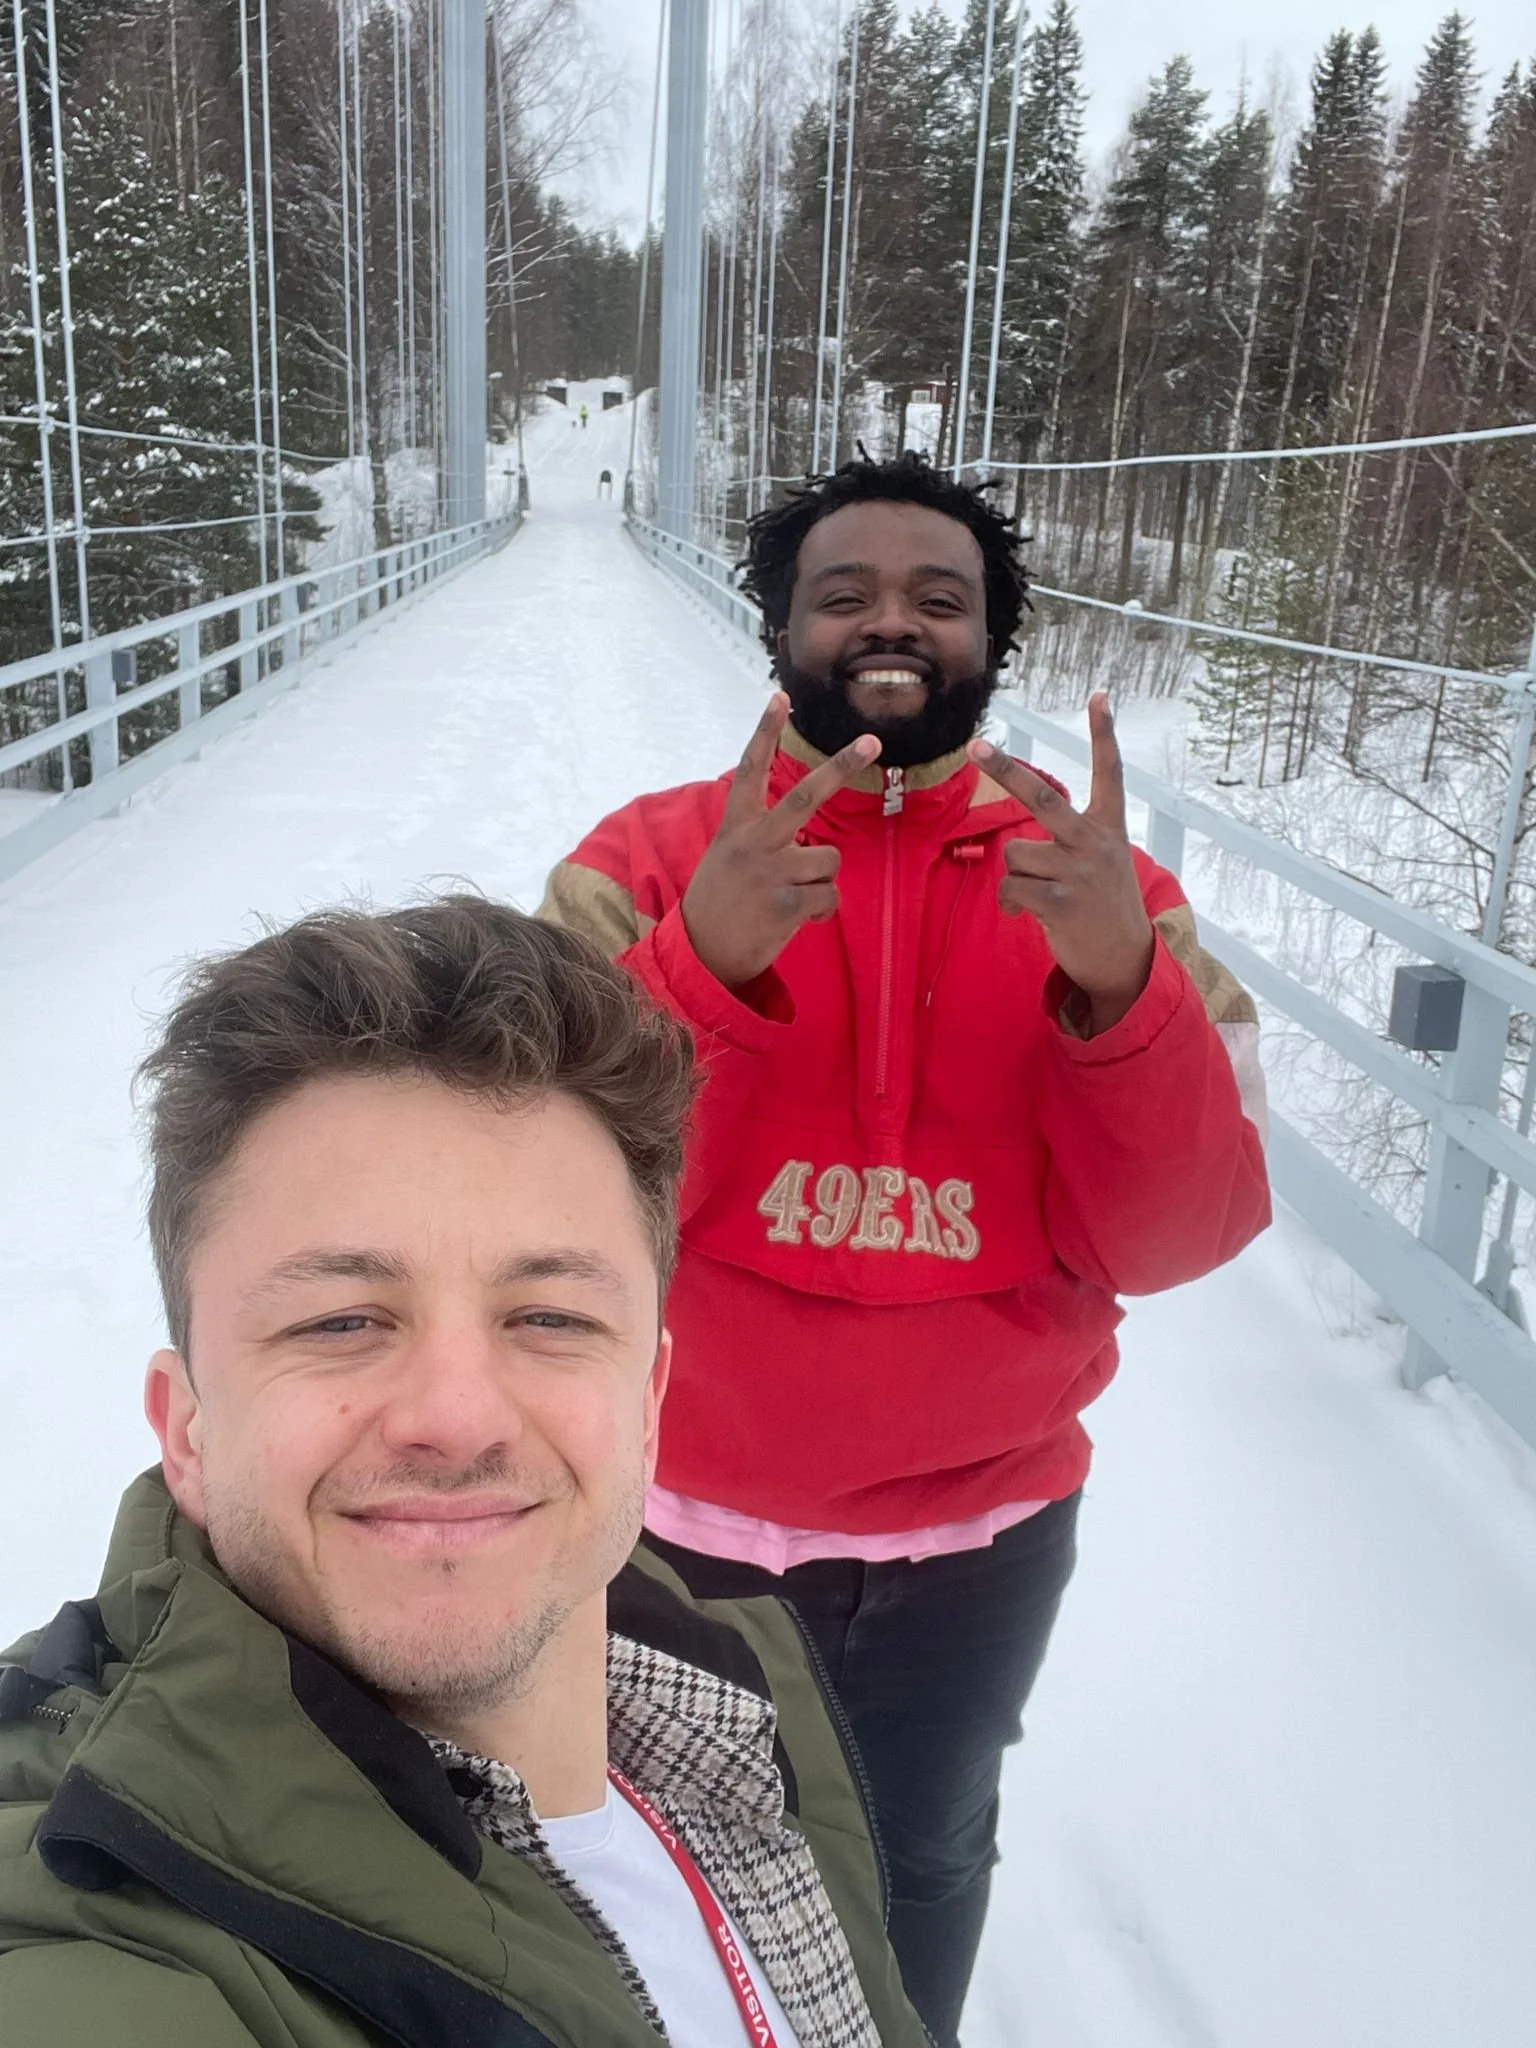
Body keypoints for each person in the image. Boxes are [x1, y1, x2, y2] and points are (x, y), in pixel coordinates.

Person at [539, 453, 1272, 2044]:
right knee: (642, 1850)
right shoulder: (638, 869)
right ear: (781, 630)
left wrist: (1123, 986)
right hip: (669, 1528)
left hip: (982, 1542)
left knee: (925, 1856)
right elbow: (541, 1216)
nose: (895, 622)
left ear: (993, 640)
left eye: (942, 597)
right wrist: (701, 968)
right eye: (847, 592)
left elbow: (1183, 1236)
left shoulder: (1111, 892)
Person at [0, 898, 926, 2048]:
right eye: (341, 1321)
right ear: (186, 1427)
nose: (455, 1414)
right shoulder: (103, 1931)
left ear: (646, 1402)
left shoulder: (742, 1704)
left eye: (548, 1313)